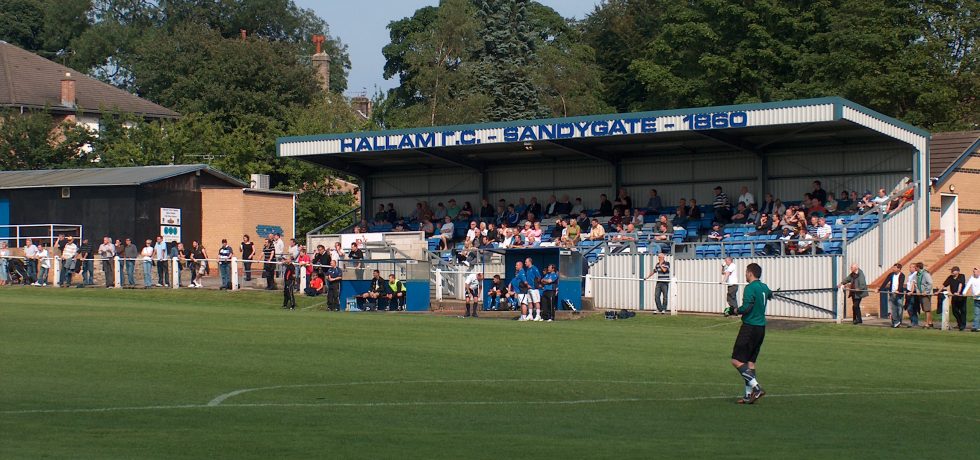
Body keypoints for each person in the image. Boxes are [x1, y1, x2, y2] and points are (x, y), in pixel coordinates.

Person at [728, 262, 772, 404]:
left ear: (750, 273)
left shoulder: (750, 288)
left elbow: (746, 308)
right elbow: (770, 295)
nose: (745, 275)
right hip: (761, 328)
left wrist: (732, 311)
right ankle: (748, 396)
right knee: (750, 362)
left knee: (736, 360)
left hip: (750, 327)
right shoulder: (764, 287)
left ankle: (757, 388)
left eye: (746, 272)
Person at [879, 263, 906, 328]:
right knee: (893, 309)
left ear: (899, 269)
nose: (893, 269)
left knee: (899, 309)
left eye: (895, 268)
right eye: (893, 267)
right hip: (892, 294)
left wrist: (898, 290)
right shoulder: (891, 275)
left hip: (899, 294)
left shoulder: (902, 275)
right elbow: (885, 282)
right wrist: (880, 289)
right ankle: (895, 322)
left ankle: (898, 322)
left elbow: (901, 284)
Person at [943, 267, 967, 331]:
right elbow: (944, 285)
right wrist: (938, 291)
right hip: (954, 297)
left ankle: (962, 325)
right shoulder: (950, 277)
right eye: (952, 270)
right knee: (954, 311)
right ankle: (960, 323)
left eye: (954, 271)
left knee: (963, 311)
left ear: (958, 271)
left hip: (961, 296)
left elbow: (960, 284)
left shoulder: (961, 276)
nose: (952, 272)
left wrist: (958, 292)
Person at [914, 262, 934, 328]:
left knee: (927, 309)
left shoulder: (925, 273)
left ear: (918, 267)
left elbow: (930, 283)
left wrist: (926, 291)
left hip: (926, 294)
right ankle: (930, 322)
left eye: (915, 267)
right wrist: (918, 291)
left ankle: (927, 323)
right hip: (921, 293)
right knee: (925, 308)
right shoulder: (917, 274)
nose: (914, 268)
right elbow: (916, 283)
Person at [961, 268, 980, 332]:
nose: (974, 273)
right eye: (973, 272)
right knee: (976, 313)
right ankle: (976, 327)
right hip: (976, 299)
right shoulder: (972, 278)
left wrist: (977, 294)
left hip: (977, 296)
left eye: (976, 272)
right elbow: (968, 285)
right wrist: (964, 293)